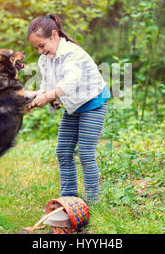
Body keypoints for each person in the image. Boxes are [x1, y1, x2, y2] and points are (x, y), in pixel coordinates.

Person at [27, 13, 110, 204]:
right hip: (73, 106)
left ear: (54, 35)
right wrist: (33, 96)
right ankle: (69, 199)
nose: (40, 51)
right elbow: (48, 87)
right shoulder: (45, 60)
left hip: (92, 103)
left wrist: (47, 96)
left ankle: (92, 201)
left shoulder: (73, 54)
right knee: (63, 151)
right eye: (36, 48)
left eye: (42, 45)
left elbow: (68, 85)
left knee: (86, 152)